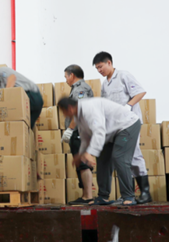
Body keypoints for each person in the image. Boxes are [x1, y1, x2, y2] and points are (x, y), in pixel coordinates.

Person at [57, 97, 141, 205]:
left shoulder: (89, 108)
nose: (64, 115)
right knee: (102, 159)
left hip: (127, 125)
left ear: (69, 108)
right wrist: (81, 154)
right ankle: (103, 197)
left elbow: (99, 131)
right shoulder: (79, 116)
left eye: (63, 112)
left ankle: (129, 196)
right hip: (111, 132)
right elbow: (85, 137)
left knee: (119, 158)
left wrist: (90, 153)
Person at [92, 52, 152, 204]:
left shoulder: (123, 75)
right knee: (117, 157)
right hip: (115, 126)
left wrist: (128, 105)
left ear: (109, 63)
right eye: (97, 68)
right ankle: (123, 194)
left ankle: (144, 193)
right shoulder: (105, 84)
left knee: (132, 155)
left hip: (129, 122)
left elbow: (140, 92)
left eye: (101, 66)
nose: (99, 70)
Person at [60, 64, 95, 205]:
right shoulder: (78, 89)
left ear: (72, 75)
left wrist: (70, 129)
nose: (66, 80)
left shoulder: (80, 89)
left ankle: (88, 197)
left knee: (83, 164)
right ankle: (85, 195)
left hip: (80, 131)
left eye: (66, 77)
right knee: (80, 163)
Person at [0, 63, 44, 129]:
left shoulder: (1, 71)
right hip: (27, 99)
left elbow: (12, 77)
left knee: (21, 127)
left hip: (31, 96)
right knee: (25, 127)